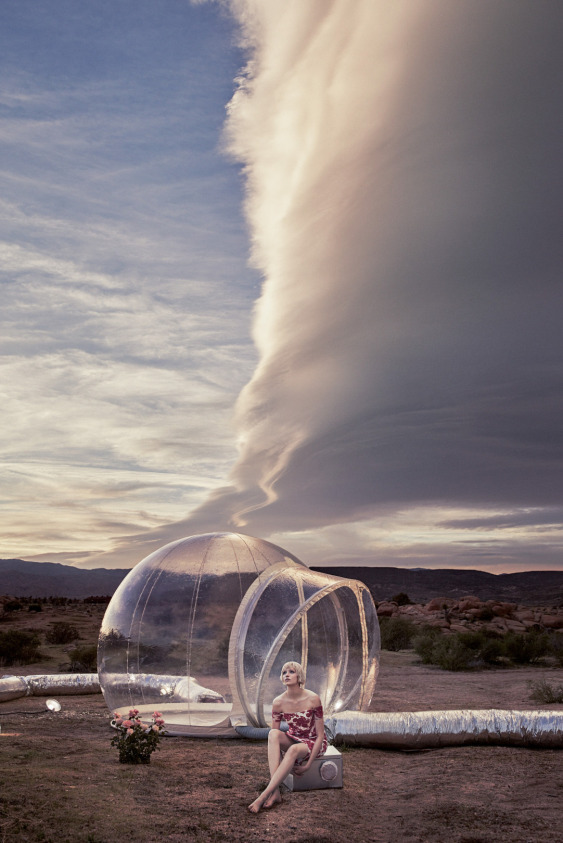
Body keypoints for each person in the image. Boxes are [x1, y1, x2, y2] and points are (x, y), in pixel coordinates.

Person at [248, 661, 328, 813]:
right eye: (284, 672)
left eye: (291, 671)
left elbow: (320, 735)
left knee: (292, 749)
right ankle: (276, 793)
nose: (287, 675)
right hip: (294, 738)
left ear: (299, 676)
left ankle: (264, 795)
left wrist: (308, 765)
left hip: (313, 741)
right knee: (272, 734)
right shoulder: (278, 702)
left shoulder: (313, 699)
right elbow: (275, 740)